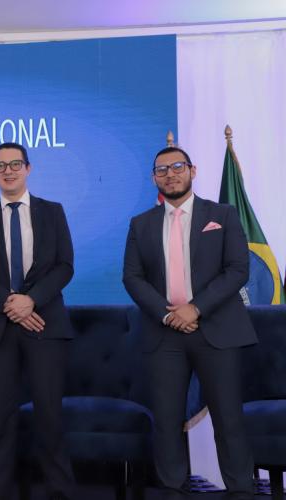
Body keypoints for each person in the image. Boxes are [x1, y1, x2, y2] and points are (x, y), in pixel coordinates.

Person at [123, 146, 256, 500]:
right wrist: (169, 314)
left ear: (192, 171)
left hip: (217, 329)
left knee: (228, 419)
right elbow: (133, 278)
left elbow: (238, 270)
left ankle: (241, 490)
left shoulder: (223, 215)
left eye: (177, 167)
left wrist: (195, 309)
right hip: (164, 332)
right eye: (162, 170)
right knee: (166, 421)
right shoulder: (140, 224)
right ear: (154, 178)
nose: (170, 174)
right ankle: (172, 490)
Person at [0, 142, 75, 500]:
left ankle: (59, 492)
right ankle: (0, 492)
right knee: (0, 420)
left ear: (28, 168)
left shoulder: (52, 212)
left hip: (46, 324)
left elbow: (64, 265)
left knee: (50, 418)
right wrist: (10, 303)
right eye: (0, 166)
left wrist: (31, 301)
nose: (8, 171)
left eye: (15, 164)